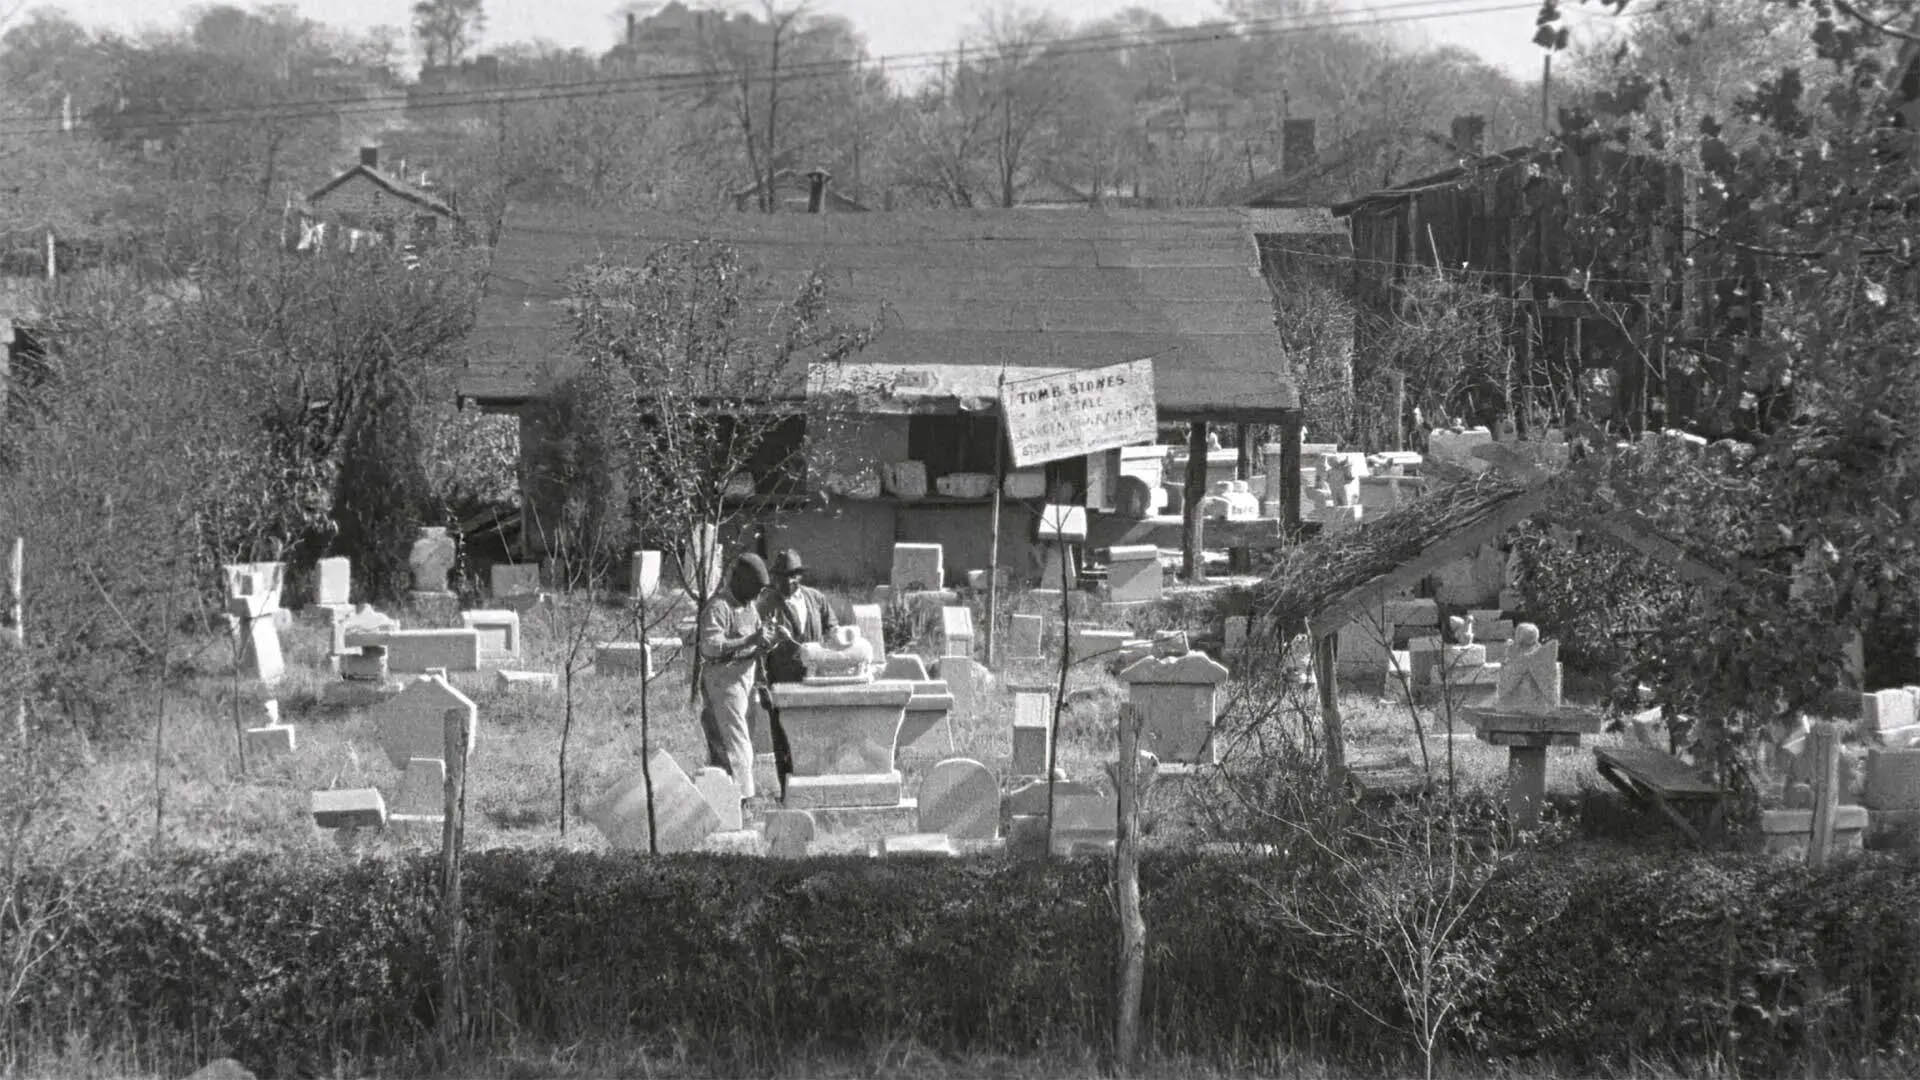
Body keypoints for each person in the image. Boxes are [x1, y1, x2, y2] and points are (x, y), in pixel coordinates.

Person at [697, 553, 781, 803]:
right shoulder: (719, 607)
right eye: (755, 588)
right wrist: (750, 639)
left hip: (746, 676)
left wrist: (766, 643)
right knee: (737, 742)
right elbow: (711, 647)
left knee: (733, 741)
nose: (757, 596)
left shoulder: (749, 608)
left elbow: (754, 645)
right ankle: (745, 798)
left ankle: (721, 795)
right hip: (724, 678)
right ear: (739, 581)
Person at [757, 548, 840, 797]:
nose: (788, 581)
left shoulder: (815, 598)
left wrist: (835, 643)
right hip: (781, 682)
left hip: (814, 680)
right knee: (784, 740)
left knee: (817, 735)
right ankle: (789, 793)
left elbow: (832, 628)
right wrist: (762, 685)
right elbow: (758, 650)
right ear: (774, 577)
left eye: (793, 576)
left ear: (800, 577)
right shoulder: (766, 604)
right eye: (782, 576)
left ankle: (817, 788)